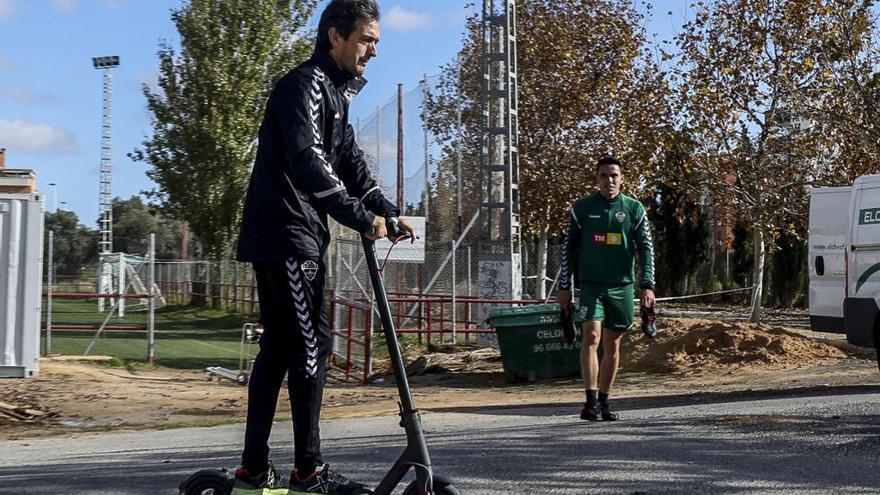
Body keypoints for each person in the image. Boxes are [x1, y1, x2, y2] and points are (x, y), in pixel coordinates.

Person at [233, 1, 415, 493]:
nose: (373, 51)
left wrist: (387, 212)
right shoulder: (305, 86)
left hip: (294, 233)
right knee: (312, 345)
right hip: (288, 233)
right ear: (335, 36)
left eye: (376, 42)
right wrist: (360, 217)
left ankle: (252, 470)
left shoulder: (334, 93)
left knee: (279, 347)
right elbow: (308, 161)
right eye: (367, 39)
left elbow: (350, 162)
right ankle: (307, 472)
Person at [557, 155, 655, 422]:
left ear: (622, 179)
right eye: (603, 175)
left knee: (612, 343)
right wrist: (565, 287)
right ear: (596, 179)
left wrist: (647, 285)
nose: (609, 180)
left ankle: (604, 401)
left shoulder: (634, 209)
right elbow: (568, 248)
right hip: (591, 285)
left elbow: (646, 248)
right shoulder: (583, 208)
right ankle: (589, 403)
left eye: (614, 175)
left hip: (622, 286)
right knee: (591, 336)